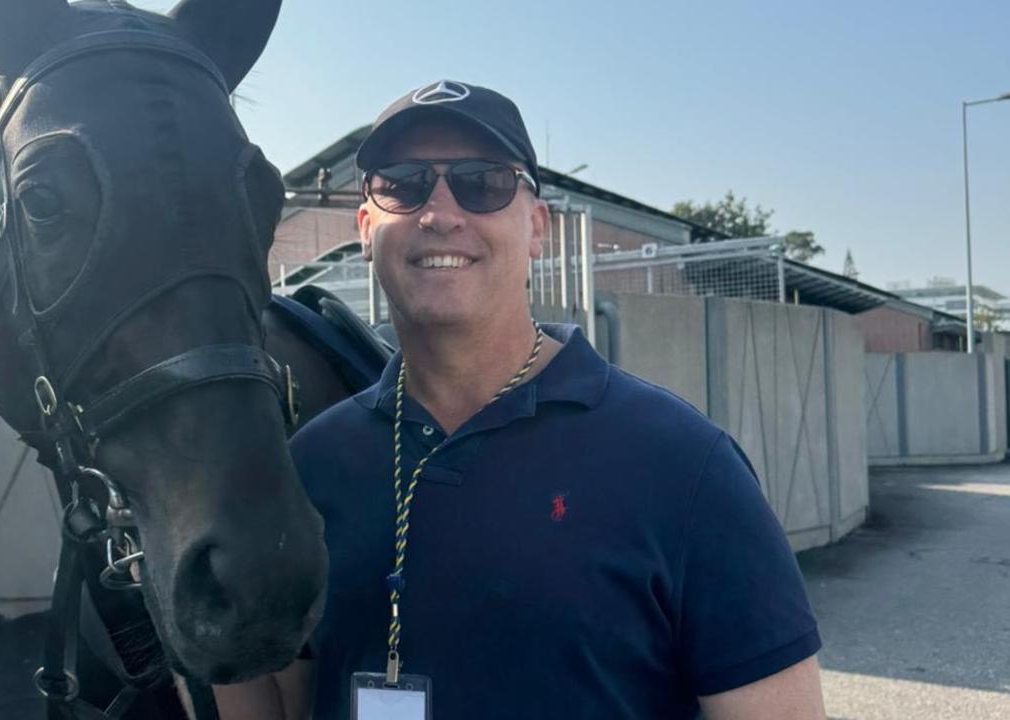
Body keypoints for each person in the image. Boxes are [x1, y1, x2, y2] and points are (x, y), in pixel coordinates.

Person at [215, 79, 826, 719]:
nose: (439, 212)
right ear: (367, 228)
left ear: (537, 227)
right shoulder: (312, 466)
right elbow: (280, 703)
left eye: (483, 183)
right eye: (403, 182)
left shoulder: (684, 466)